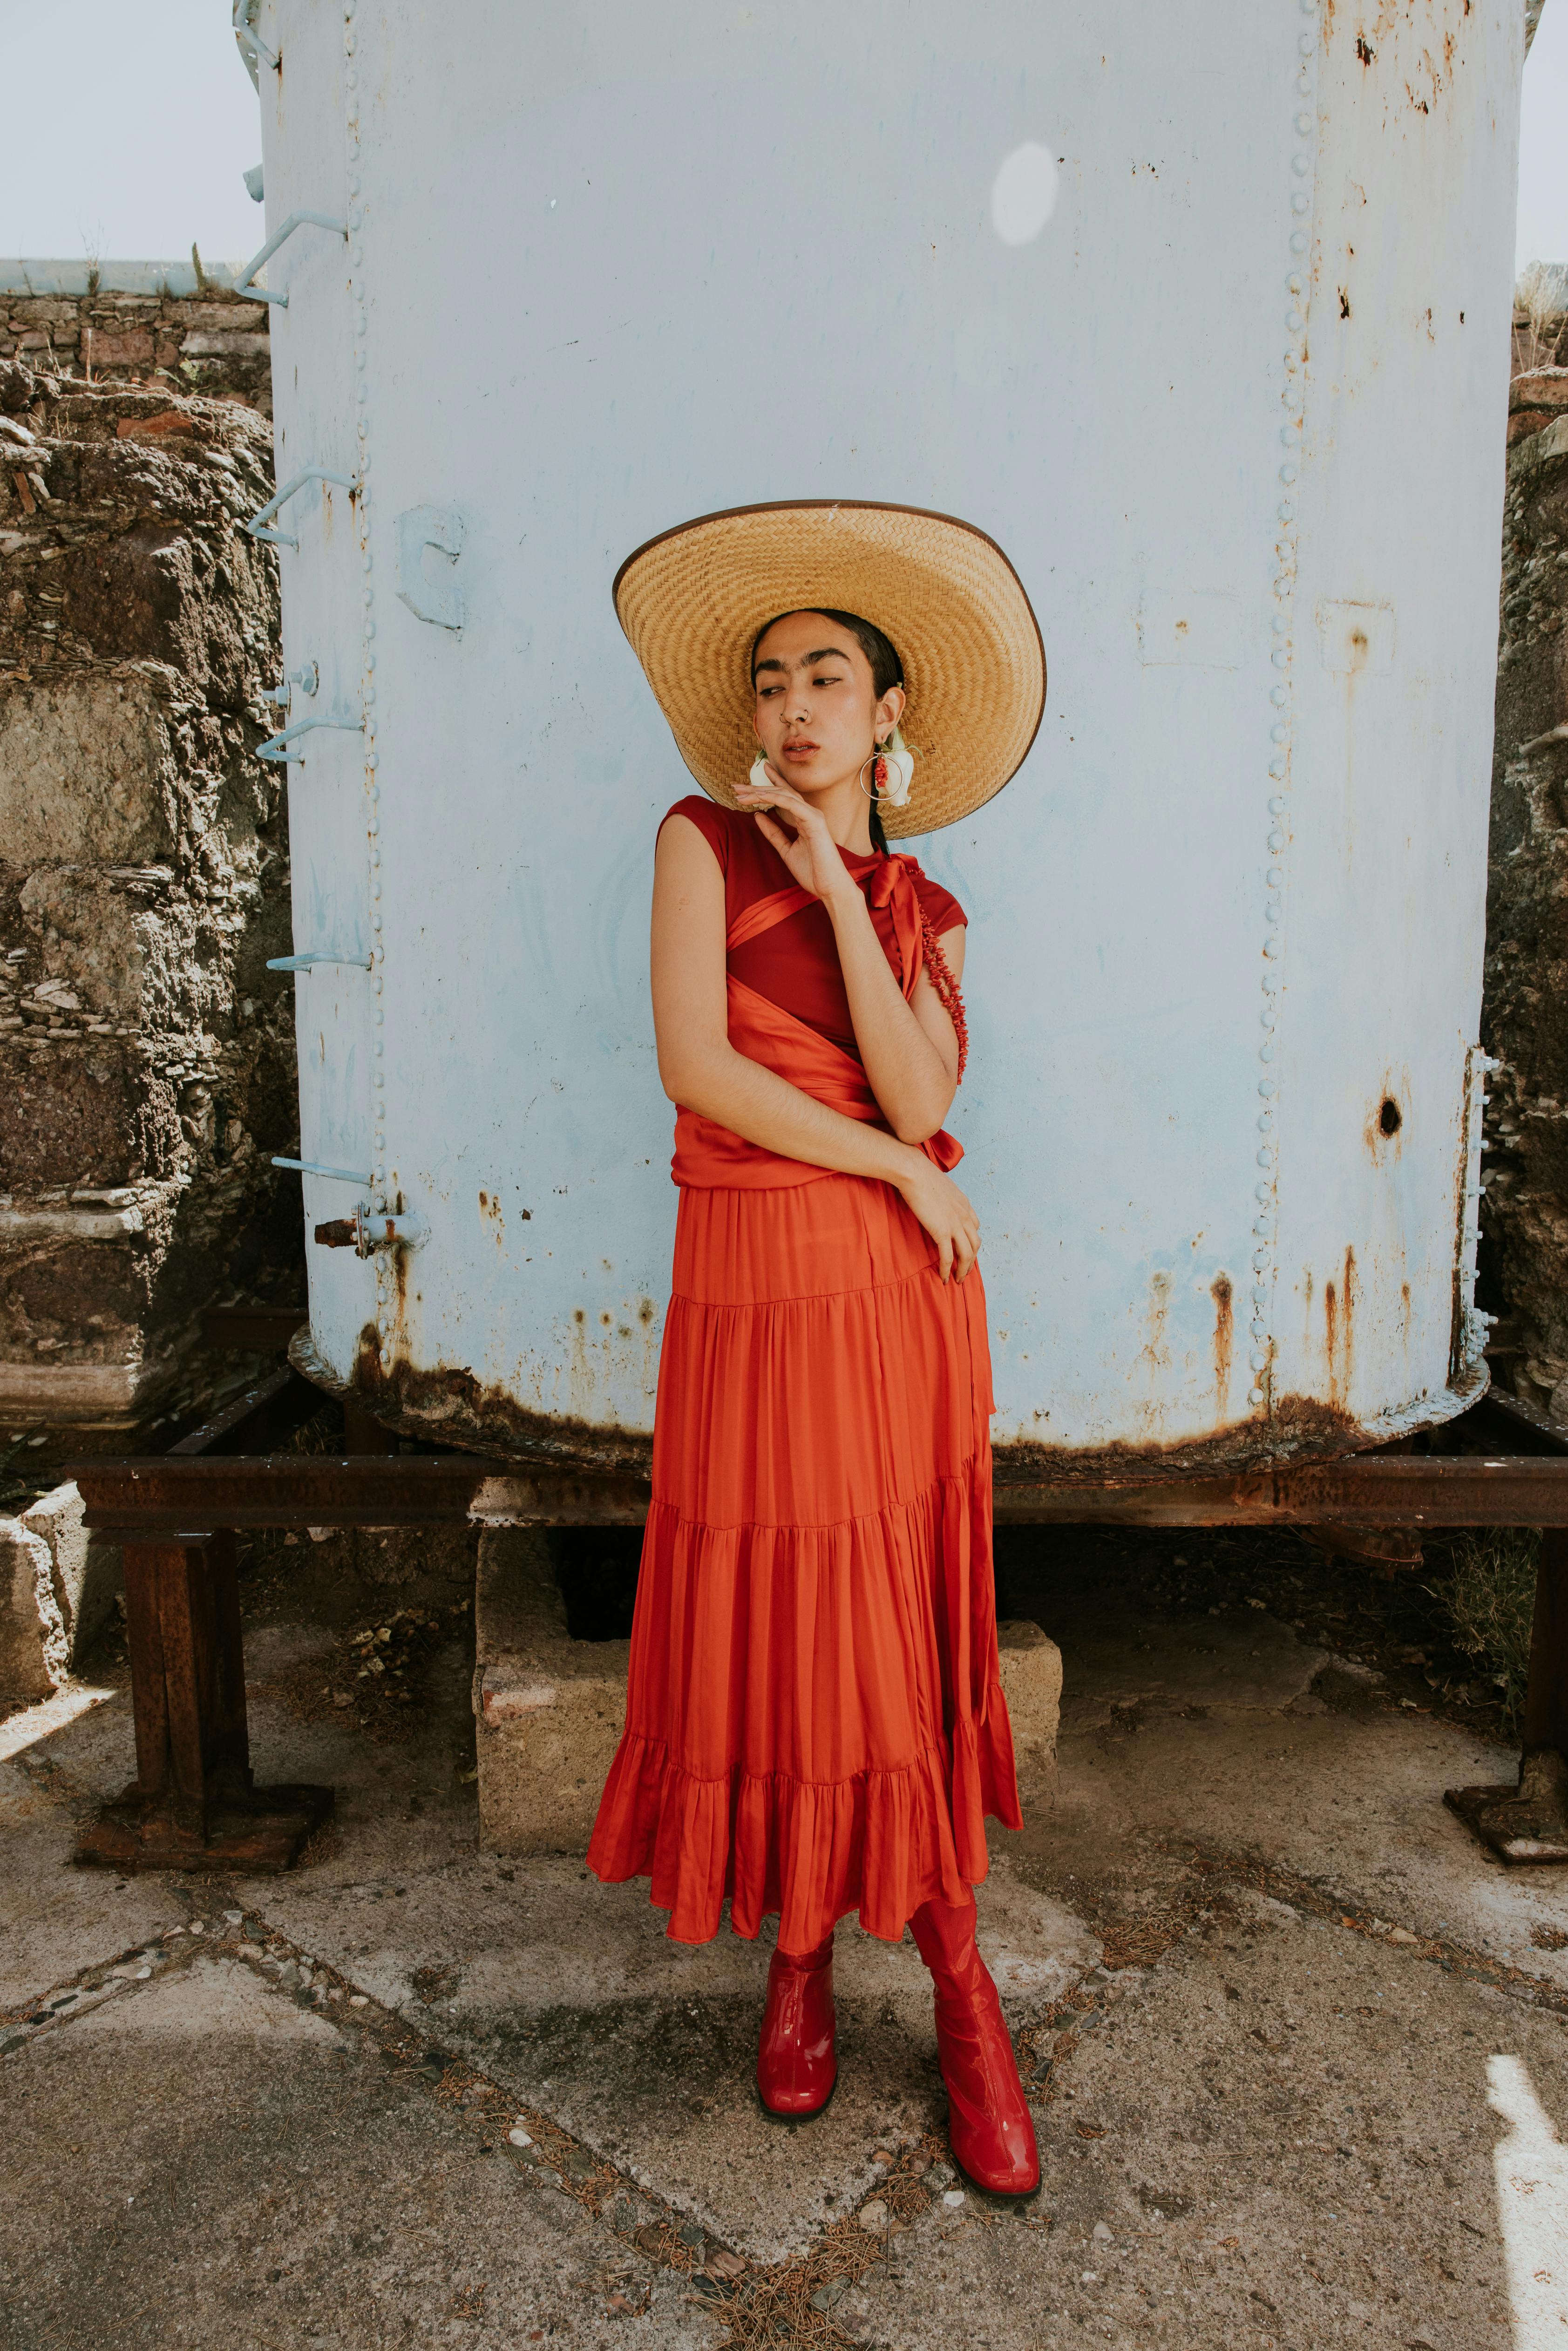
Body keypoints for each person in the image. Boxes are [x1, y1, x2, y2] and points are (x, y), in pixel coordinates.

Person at [588, 500, 1047, 2195]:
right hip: (754, 1286)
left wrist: (840, 891)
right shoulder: (692, 843)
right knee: (781, 1621)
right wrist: (898, 1173)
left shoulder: (923, 906)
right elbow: (696, 1067)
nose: (793, 706)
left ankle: (961, 1986)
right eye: (772, 680)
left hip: (887, 1305)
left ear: (888, 713)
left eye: (829, 677)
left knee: (887, 1625)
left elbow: (921, 1096)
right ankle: (796, 1949)